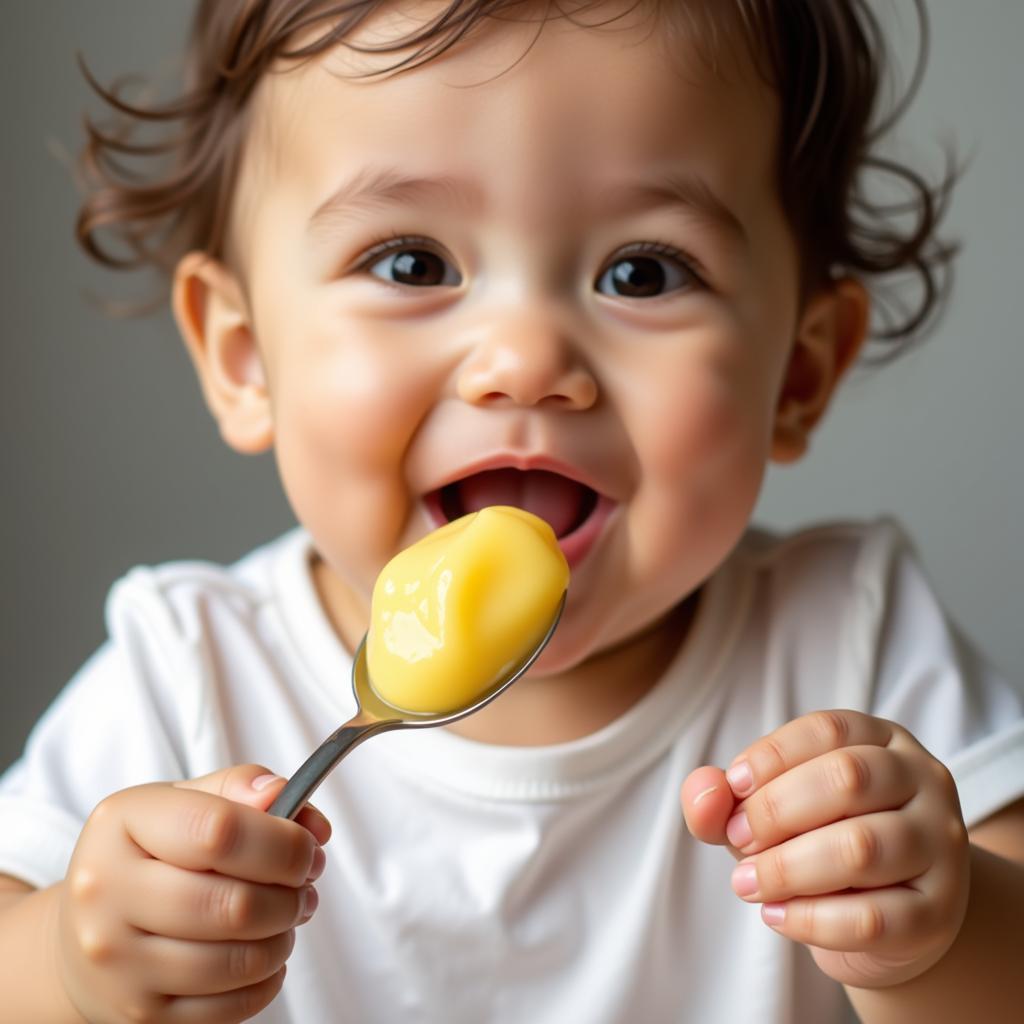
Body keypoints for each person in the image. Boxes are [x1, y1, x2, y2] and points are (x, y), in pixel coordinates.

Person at [1, 0, 1022, 1021]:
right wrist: (71, 967)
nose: (527, 359)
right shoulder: (191, 670)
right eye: (411, 263)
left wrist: (941, 931)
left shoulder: (849, 636)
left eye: (642, 272)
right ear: (242, 355)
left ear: (797, 372)